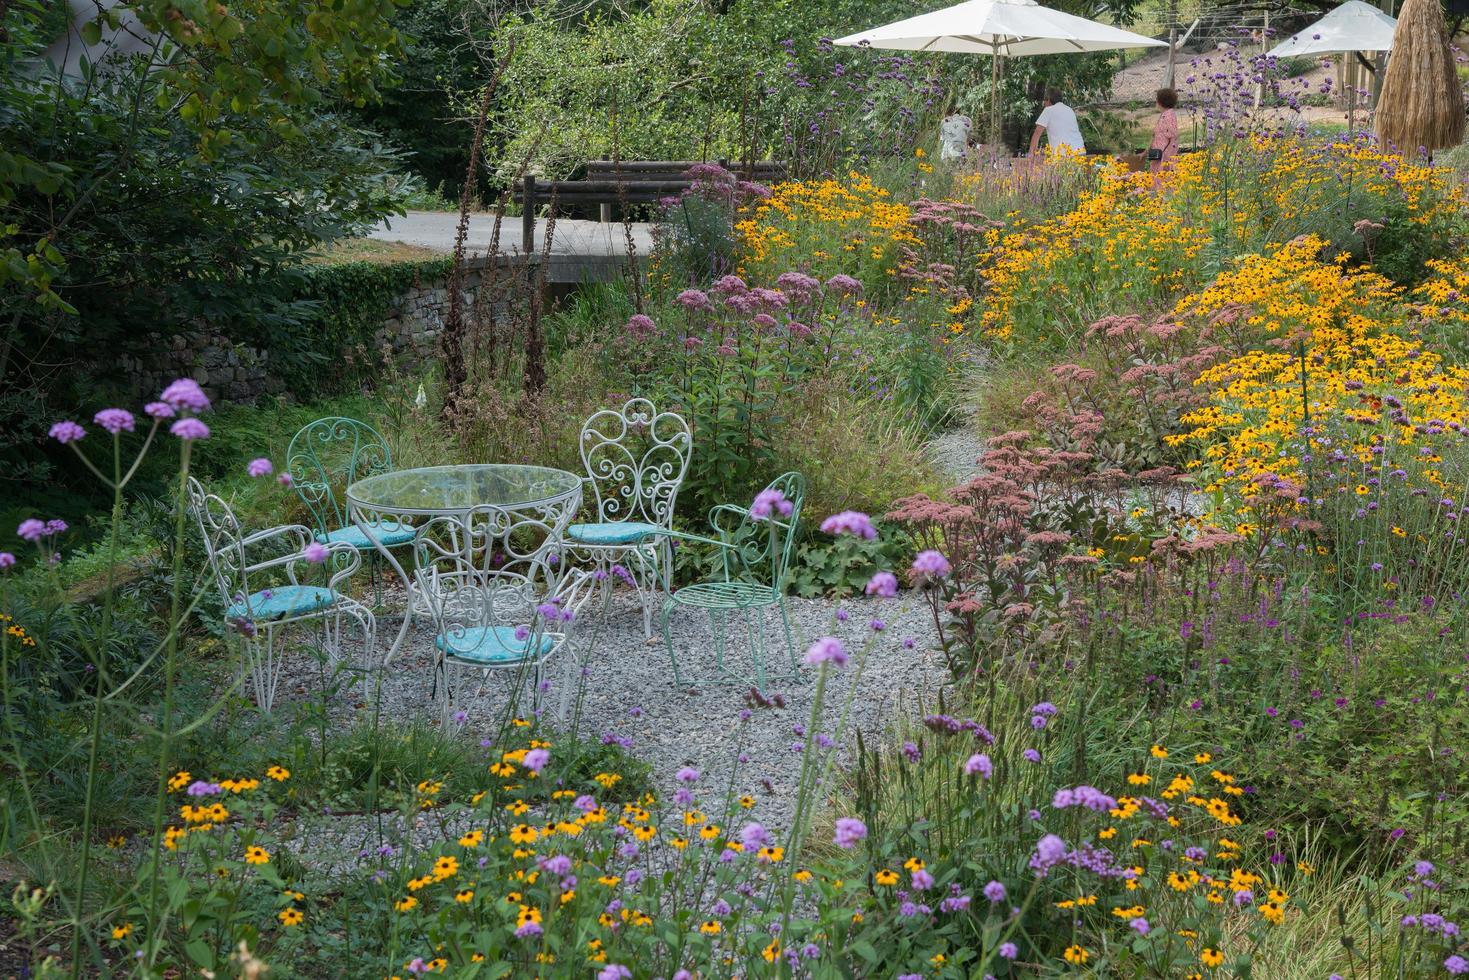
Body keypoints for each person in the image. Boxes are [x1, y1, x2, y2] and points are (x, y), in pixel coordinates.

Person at [1028, 87, 1085, 159]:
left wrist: (1031, 153)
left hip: (1065, 155)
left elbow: (1037, 133)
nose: (1044, 104)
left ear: (1048, 99)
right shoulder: (1069, 109)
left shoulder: (1048, 110)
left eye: (1044, 101)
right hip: (1080, 151)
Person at [1148, 87, 1179, 180]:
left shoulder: (1169, 115)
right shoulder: (1165, 115)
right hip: (1158, 157)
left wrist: (1166, 161)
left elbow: (1173, 139)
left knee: (1163, 186)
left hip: (1164, 158)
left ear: (1160, 101)